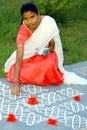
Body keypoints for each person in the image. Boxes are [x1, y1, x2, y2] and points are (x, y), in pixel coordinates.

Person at [4, 2, 87, 96]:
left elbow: (52, 45)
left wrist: (46, 51)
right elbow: (19, 58)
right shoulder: (23, 31)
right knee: (15, 70)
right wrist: (15, 81)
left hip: (45, 55)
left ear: (38, 14)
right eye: (26, 19)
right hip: (27, 58)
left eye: (32, 17)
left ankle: (45, 72)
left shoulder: (48, 22)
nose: (30, 21)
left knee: (49, 64)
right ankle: (40, 74)